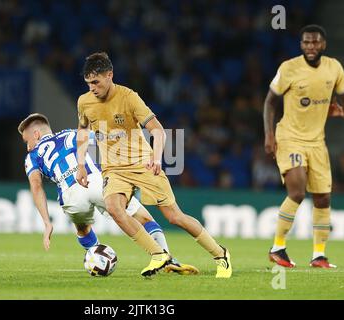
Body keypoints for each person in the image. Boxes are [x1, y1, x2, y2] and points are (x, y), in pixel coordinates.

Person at [76, 52, 232, 277]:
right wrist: (81, 164)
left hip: (143, 164)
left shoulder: (129, 97)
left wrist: (156, 157)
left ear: (110, 75)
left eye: (96, 82)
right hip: (114, 169)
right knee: (114, 208)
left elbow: (157, 130)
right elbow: (83, 131)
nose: (92, 88)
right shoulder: (84, 101)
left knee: (174, 217)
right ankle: (158, 254)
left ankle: (221, 254)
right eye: (88, 83)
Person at [17, 113, 199, 275]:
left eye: (27, 142)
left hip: (70, 196)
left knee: (83, 228)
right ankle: (167, 259)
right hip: (95, 181)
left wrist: (47, 222)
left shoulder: (32, 157)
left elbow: (36, 185)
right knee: (145, 219)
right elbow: (106, 140)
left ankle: (97, 260)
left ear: (37, 134)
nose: (27, 147)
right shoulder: (72, 133)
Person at [263, 25, 344, 268]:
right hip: (290, 137)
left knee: (323, 197)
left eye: (315, 43)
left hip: (317, 141)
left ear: (323, 45)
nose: (310, 47)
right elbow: (270, 102)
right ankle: (277, 247)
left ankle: (318, 255)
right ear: (301, 45)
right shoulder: (289, 68)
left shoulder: (334, 68)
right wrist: (269, 135)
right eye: (306, 43)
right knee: (297, 192)